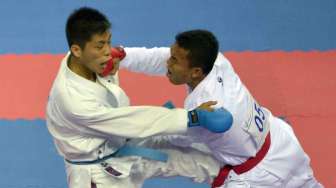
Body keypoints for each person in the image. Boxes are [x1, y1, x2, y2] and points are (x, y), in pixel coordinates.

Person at [46, 7, 233, 188]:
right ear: (77, 50)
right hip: (99, 173)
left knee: (213, 163)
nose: (107, 51)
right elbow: (134, 120)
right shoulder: (73, 100)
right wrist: (192, 117)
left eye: (108, 42)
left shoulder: (84, 60)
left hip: (123, 143)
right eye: (100, 46)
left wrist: (114, 63)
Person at [120, 29, 323, 187]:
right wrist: (124, 56)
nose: (168, 63)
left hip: (257, 174)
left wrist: (132, 129)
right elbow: (160, 57)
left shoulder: (206, 107)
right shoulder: (215, 60)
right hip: (281, 140)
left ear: (195, 72)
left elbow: (177, 136)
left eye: (174, 60)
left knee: (158, 145)